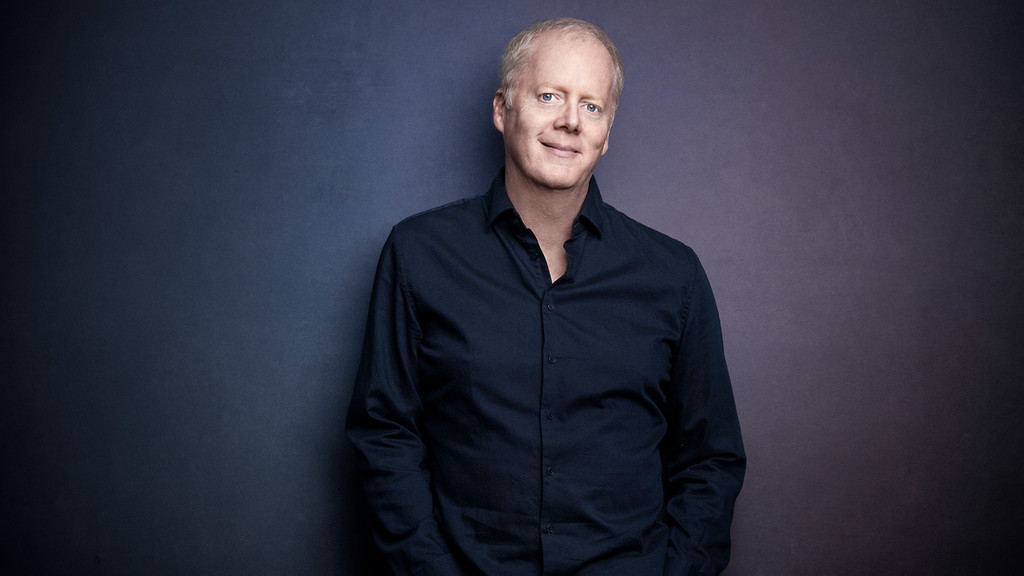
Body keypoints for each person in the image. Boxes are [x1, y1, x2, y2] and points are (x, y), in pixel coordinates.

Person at [347, 17, 745, 576]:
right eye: (549, 95)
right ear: (502, 109)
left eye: (591, 106)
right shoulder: (419, 254)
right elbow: (385, 435)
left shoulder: (673, 274)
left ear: (606, 133)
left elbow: (711, 458)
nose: (570, 121)